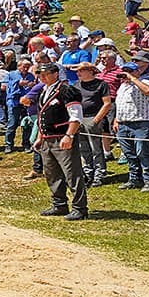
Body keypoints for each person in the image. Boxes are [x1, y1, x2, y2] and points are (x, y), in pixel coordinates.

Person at [33, 62, 88, 221]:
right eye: (40, 74)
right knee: (52, 173)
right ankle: (59, 204)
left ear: (56, 74)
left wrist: (69, 136)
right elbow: (41, 117)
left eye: (46, 74)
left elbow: (76, 116)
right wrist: (39, 137)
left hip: (62, 138)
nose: (42, 77)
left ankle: (80, 208)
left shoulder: (67, 91)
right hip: (47, 139)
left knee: (72, 173)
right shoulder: (43, 92)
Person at [113, 61, 149, 192]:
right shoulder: (122, 86)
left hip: (142, 123)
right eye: (124, 71)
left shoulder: (146, 82)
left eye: (130, 70)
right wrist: (116, 120)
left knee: (143, 152)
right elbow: (120, 104)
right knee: (129, 153)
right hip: (123, 123)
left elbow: (148, 91)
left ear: (138, 71)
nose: (126, 74)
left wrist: (133, 79)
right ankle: (134, 178)